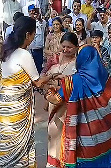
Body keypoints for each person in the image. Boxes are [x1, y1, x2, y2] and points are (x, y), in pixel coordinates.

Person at [0, 16, 57, 167]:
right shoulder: (24, 54)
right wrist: (52, 75)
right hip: (16, 110)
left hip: (1, 108)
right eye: (34, 34)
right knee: (18, 147)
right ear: (28, 35)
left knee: (7, 146)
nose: (34, 38)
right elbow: (38, 82)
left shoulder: (5, 50)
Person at [45, 45, 111, 167]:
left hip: (87, 140)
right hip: (108, 135)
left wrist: (50, 91)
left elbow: (55, 99)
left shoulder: (74, 81)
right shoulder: (105, 75)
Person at [45, 32, 77, 167]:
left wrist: (64, 83)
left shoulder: (79, 63)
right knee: (53, 133)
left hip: (70, 105)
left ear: (76, 47)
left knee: (68, 137)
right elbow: (45, 78)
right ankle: (53, 163)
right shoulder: (55, 59)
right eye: (63, 46)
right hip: (54, 102)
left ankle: (66, 163)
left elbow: (79, 84)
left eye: (69, 47)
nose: (65, 50)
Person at [28, 5, 47, 74]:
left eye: (35, 12)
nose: (33, 14)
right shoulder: (28, 22)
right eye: (31, 12)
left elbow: (44, 28)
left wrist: (39, 19)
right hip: (30, 49)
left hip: (39, 50)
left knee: (39, 68)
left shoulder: (42, 22)